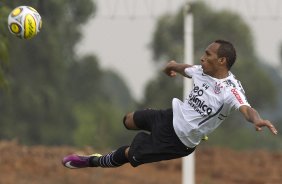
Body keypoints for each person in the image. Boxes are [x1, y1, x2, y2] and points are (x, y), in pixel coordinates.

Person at [62, 39, 278, 169]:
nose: (202, 58)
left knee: (129, 154)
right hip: (170, 116)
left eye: (208, 54)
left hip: (177, 141)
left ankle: (91, 161)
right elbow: (185, 68)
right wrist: (171, 67)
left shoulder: (231, 90)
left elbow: (247, 109)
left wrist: (257, 120)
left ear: (222, 61)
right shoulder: (202, 71)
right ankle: (144, 123)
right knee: (128, 120)